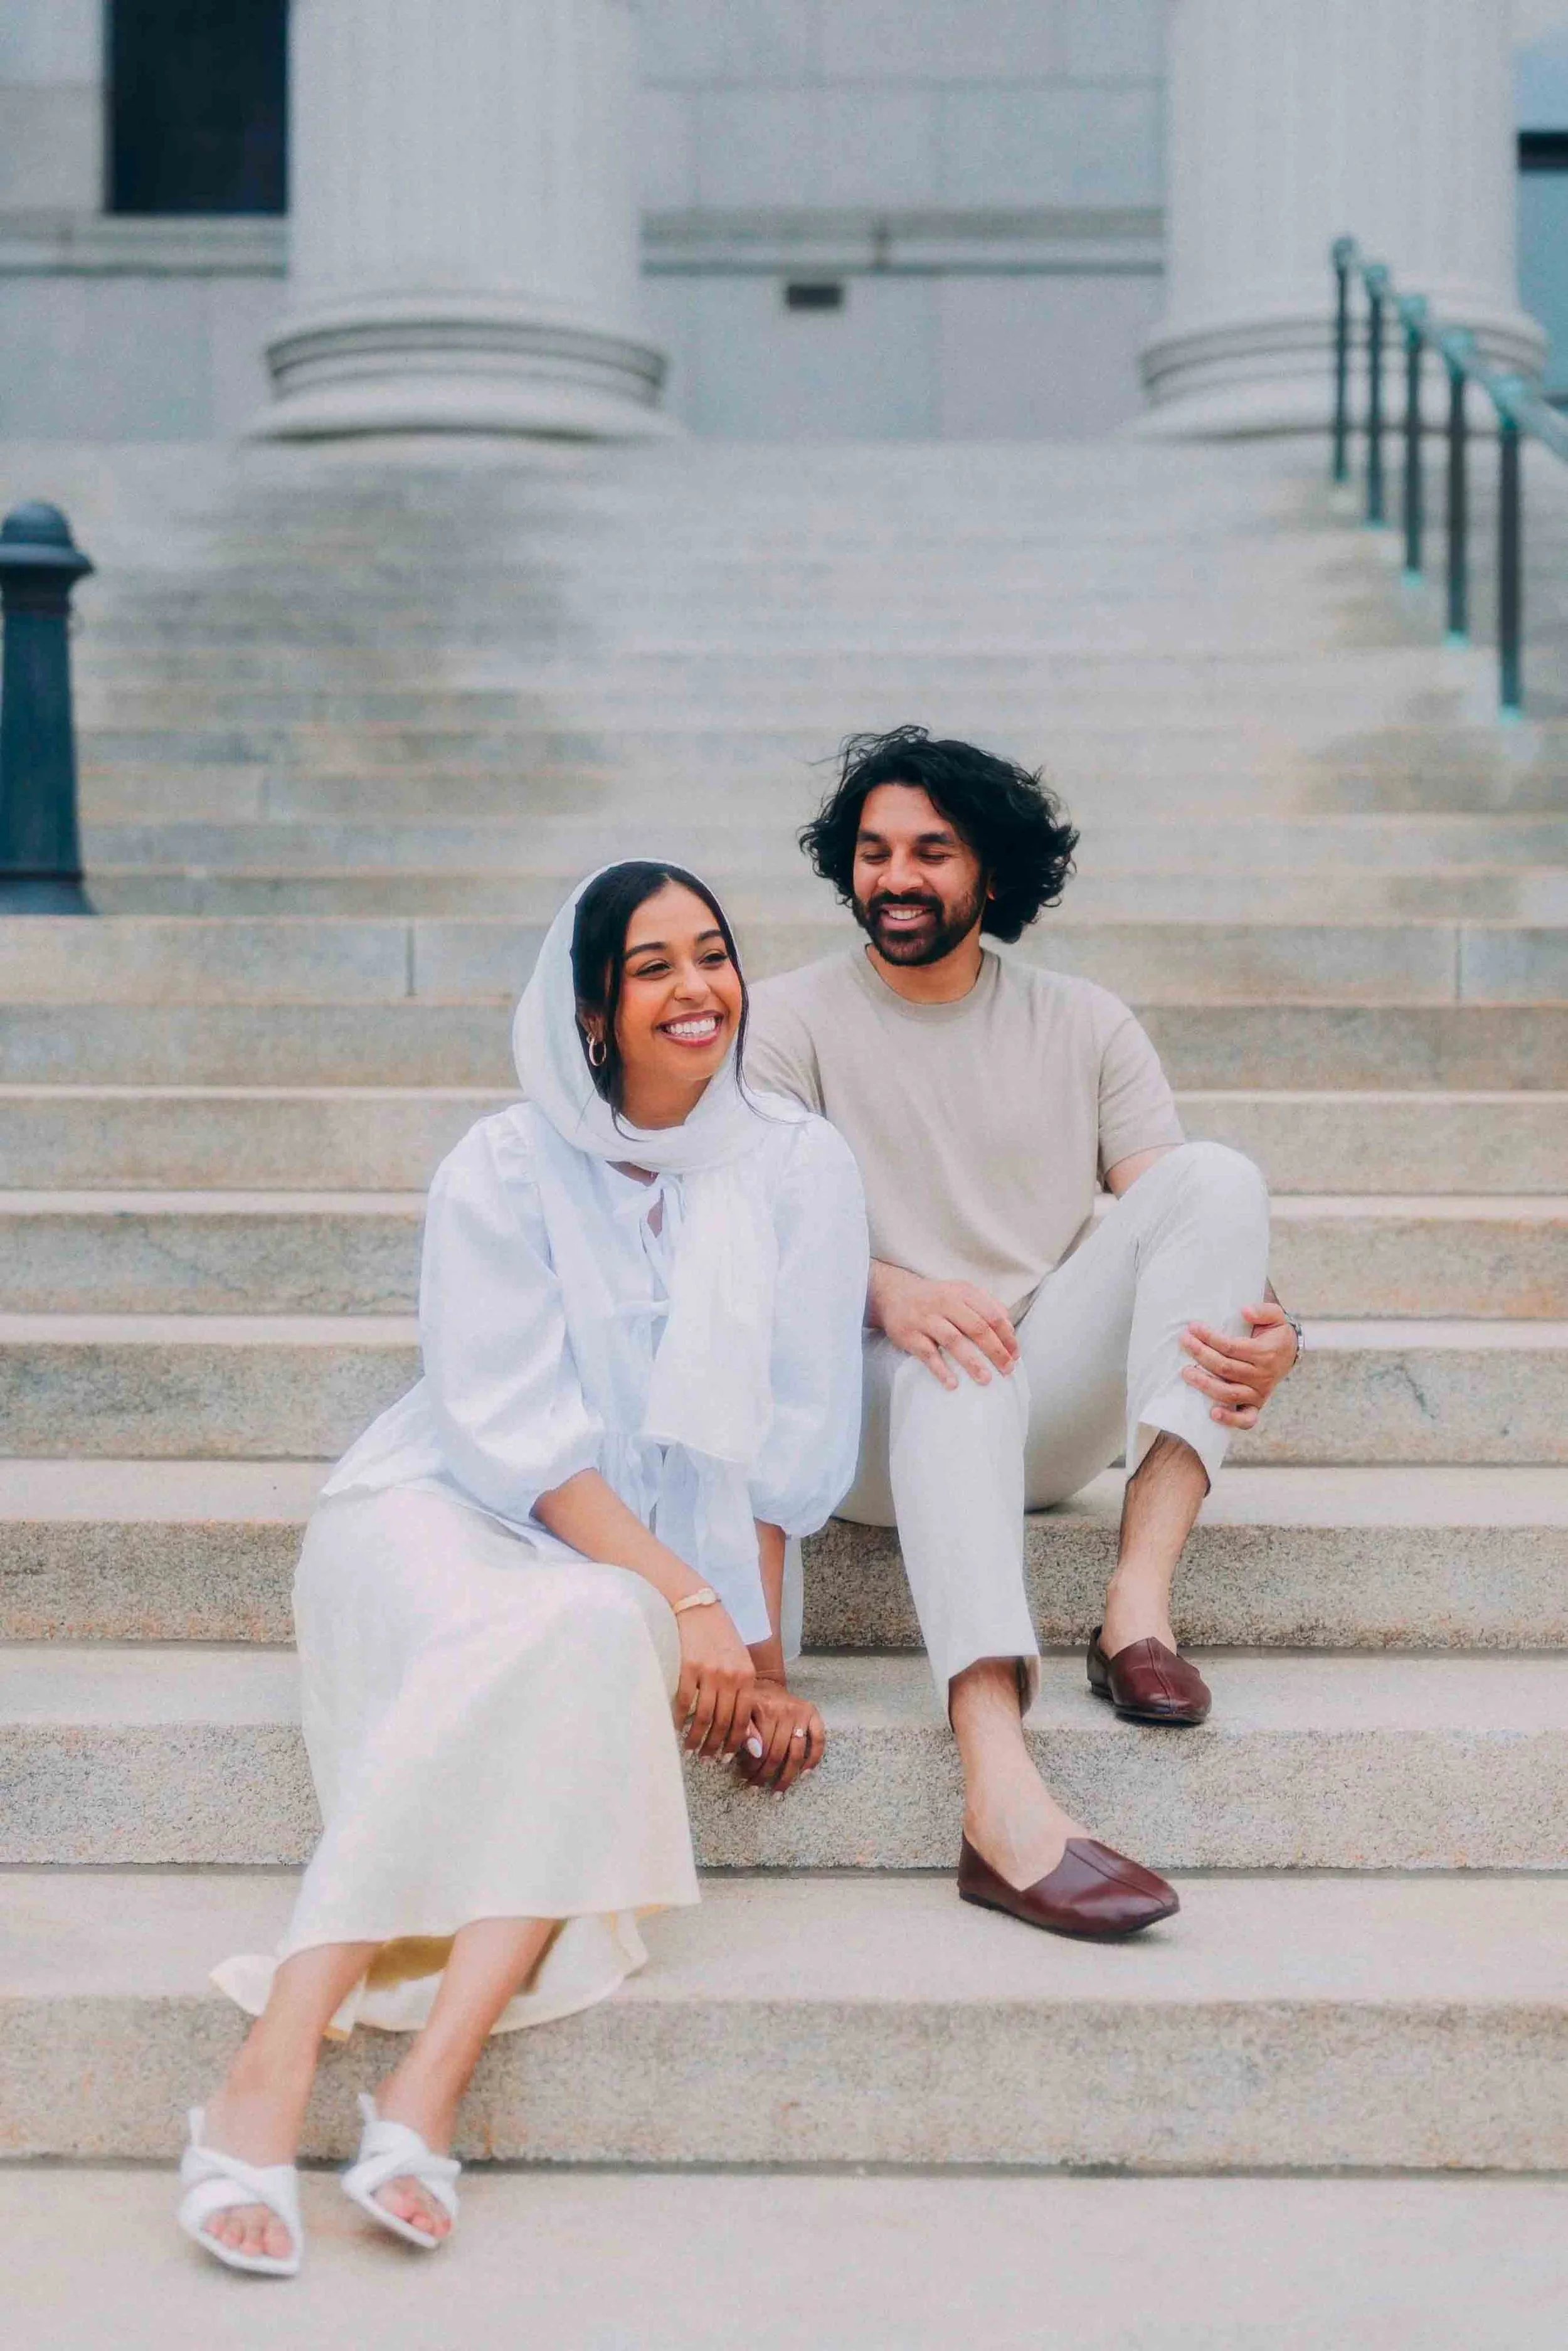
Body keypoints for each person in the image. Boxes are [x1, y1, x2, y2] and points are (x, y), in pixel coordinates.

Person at [176, 861, 869, 2276]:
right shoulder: (502, 1163)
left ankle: (425, 2084)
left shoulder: (799, 1163)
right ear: (592, 1011)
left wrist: (757, 1654)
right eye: (653, 967)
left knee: (590, 1626)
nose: (698, 989)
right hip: (444, 1510)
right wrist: (689, 1601)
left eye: (715, 954)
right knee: (576, 1622)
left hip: (634, 1570)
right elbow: (516, 1441)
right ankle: (273, 2062)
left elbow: (786, 1436)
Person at [746, 728, 1301, 1943]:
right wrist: (886, 1290)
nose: (895, 877)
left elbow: (1178, 1221)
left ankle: (1135, 1608)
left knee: (1216, 1177)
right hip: (869, 1428)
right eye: (873, 851)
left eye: (930, 852)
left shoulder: (1083, 1022)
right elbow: (751, 1236)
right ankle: (997, 1786)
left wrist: (1276, 1333)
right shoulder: (785, 1020)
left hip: (1035, 1406)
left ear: (991, 869)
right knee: (953, 1358)